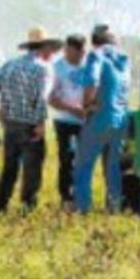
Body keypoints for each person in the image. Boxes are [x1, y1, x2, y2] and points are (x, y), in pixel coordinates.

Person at [0, 27, 62, 213]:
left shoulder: (10, 65)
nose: (52, 53)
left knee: (9, 167)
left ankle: (1, 206)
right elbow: (41, 98)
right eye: (50, 48)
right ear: (43, 48)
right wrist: (41, 123)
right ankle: (27, 208)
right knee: (32, 170)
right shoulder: (43, 69)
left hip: (10, 125)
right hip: (31, 127)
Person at [73, 24, 131, 214]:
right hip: (120, 118)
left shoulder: (96, 55)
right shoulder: (124, 60)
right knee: (113, 167)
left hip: (100, 117)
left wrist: (86, 104)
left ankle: (82, 208)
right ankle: (114, 207)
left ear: (94, 40)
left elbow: (92, 80)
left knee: (83, 165)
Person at [48, 34, 88, 209]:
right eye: (77, 51)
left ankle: (82, 197)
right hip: (65, 121)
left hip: (86, 121)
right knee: (67, 159)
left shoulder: (89, 66)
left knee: (83, 160)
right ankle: (67, 198)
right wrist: (73, 109)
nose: (81, 55)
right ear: (67, 49)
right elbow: (51, 98)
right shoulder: (56, 68)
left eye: (83, 51)